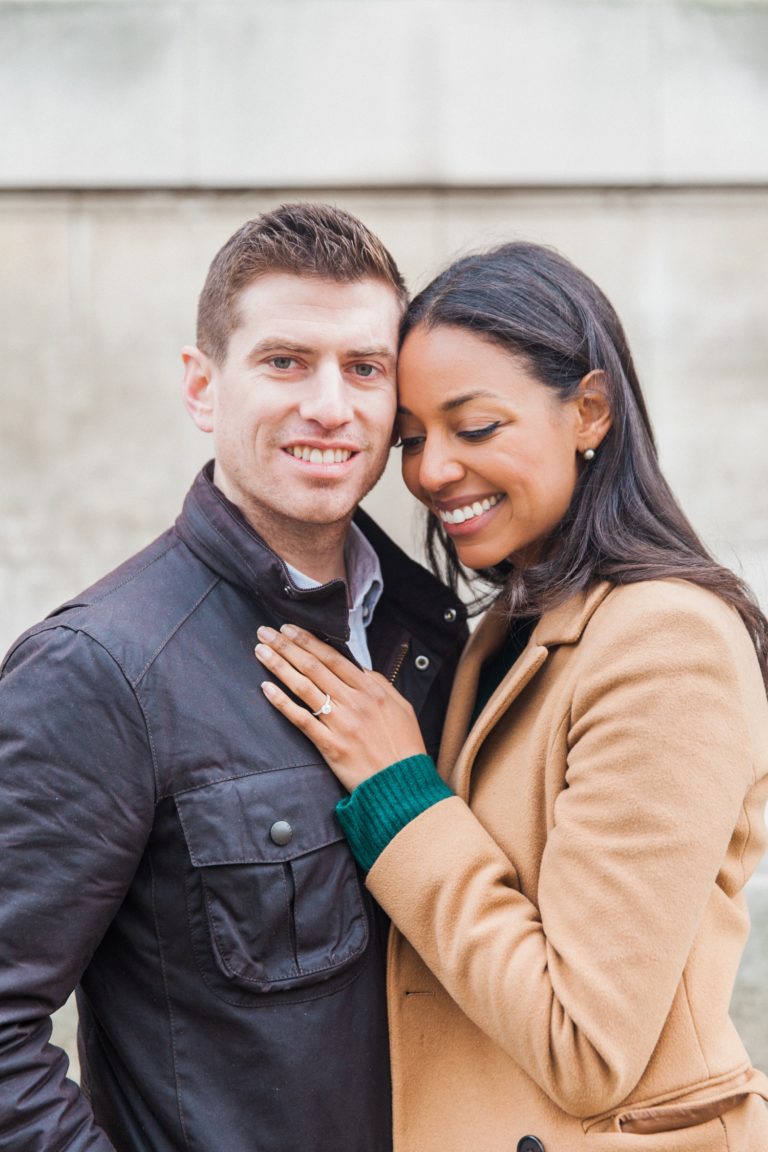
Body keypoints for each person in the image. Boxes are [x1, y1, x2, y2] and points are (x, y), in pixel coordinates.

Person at [254, 240, 768, 1151]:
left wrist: (399, 795)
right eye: (412, 438)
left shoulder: (667, 643)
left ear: (590, 410)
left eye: (475, 427)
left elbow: (586, 1045)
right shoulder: (500, 631)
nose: (433, 470)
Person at [0, 202, 467, 1152]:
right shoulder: (100, 670)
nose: (330, 405)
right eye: (286, 361)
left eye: (365, 369)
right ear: (202, 387)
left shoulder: (437, 634)